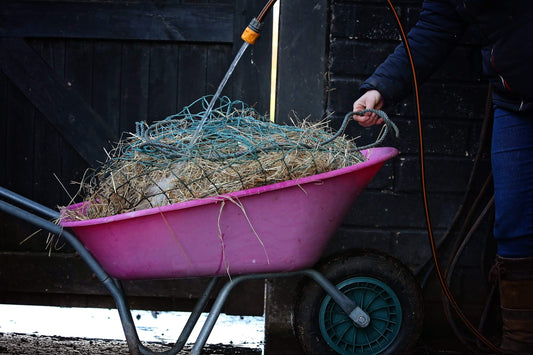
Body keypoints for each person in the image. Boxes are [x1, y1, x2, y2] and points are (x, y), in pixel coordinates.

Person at [352, 1, 533, 354]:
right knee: (515, 230)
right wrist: (382, 86)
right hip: (519, 107)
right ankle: (520, 343)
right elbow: (435, 29)